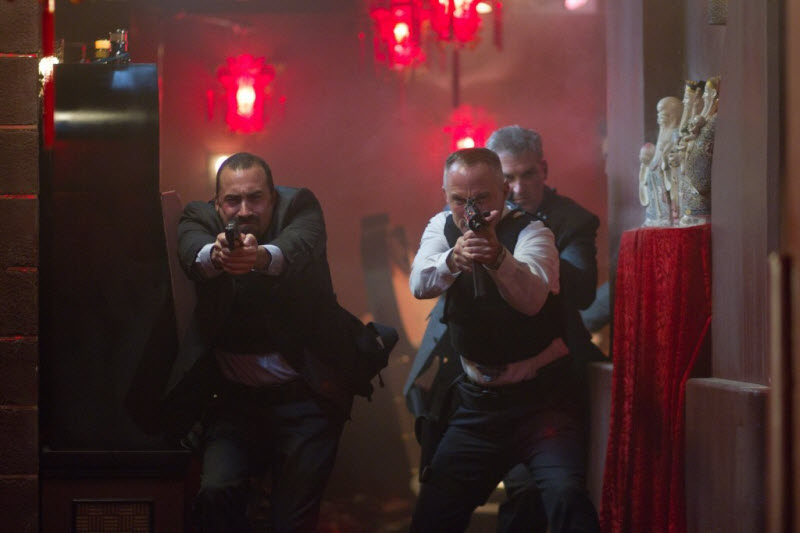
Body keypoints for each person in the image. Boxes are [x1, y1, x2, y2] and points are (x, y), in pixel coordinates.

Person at [163, 152, 395, 533]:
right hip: (234, 405)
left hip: (306, 400)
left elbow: (296, 247)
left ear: (273, 197)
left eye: (255, 198)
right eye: (233, 200)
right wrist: (217, 256)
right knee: (216, 493)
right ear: (217, 203)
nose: (244, 210)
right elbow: (192, 253)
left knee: (292, 521)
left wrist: (257, 257)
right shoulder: (198, 216)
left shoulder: (300, 206)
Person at [404, 127, 604, 532]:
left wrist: (498, 257)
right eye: (459, 200)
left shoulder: (535, 230)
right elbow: (420, 283)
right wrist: (453, 260)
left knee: (562, 497)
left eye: (481, 198)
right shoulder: (441, 227)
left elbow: (533, 300)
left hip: (542, 400)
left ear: (500, 194)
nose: (470, 210)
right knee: (434, 511)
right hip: (477, 401)